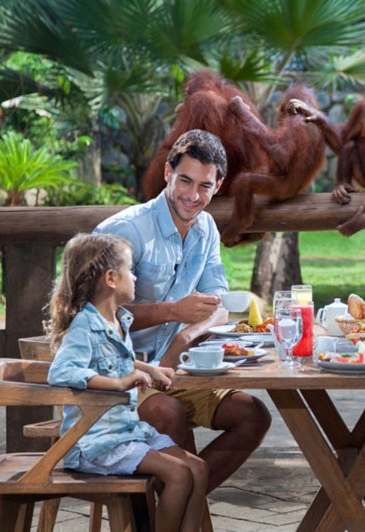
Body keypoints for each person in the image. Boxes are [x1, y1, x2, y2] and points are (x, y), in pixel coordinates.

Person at [95, 129, 271, 493]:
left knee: (252, 415)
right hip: (117, 376)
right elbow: (93, 314)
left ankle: (175, 506)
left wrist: (186, 336)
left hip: (175, 371)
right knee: (168, 413)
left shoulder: (205, 228)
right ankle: (178, 511)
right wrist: (173, 311)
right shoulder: (126, 232)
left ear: (218, 186)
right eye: (185, 181)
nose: (193, 196)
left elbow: (218, 302)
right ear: (167, 174)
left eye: (205, 186)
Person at [46, 233, 209, 532]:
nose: (135, 277)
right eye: (131, 270)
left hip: (126, 432)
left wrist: (151, 369)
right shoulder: (85, 325)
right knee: (180, 475)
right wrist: (119, 383)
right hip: (96, 443)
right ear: (111, 278)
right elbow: (62, 372)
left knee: (197, 469)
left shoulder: (117, 320)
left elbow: (115, 357)